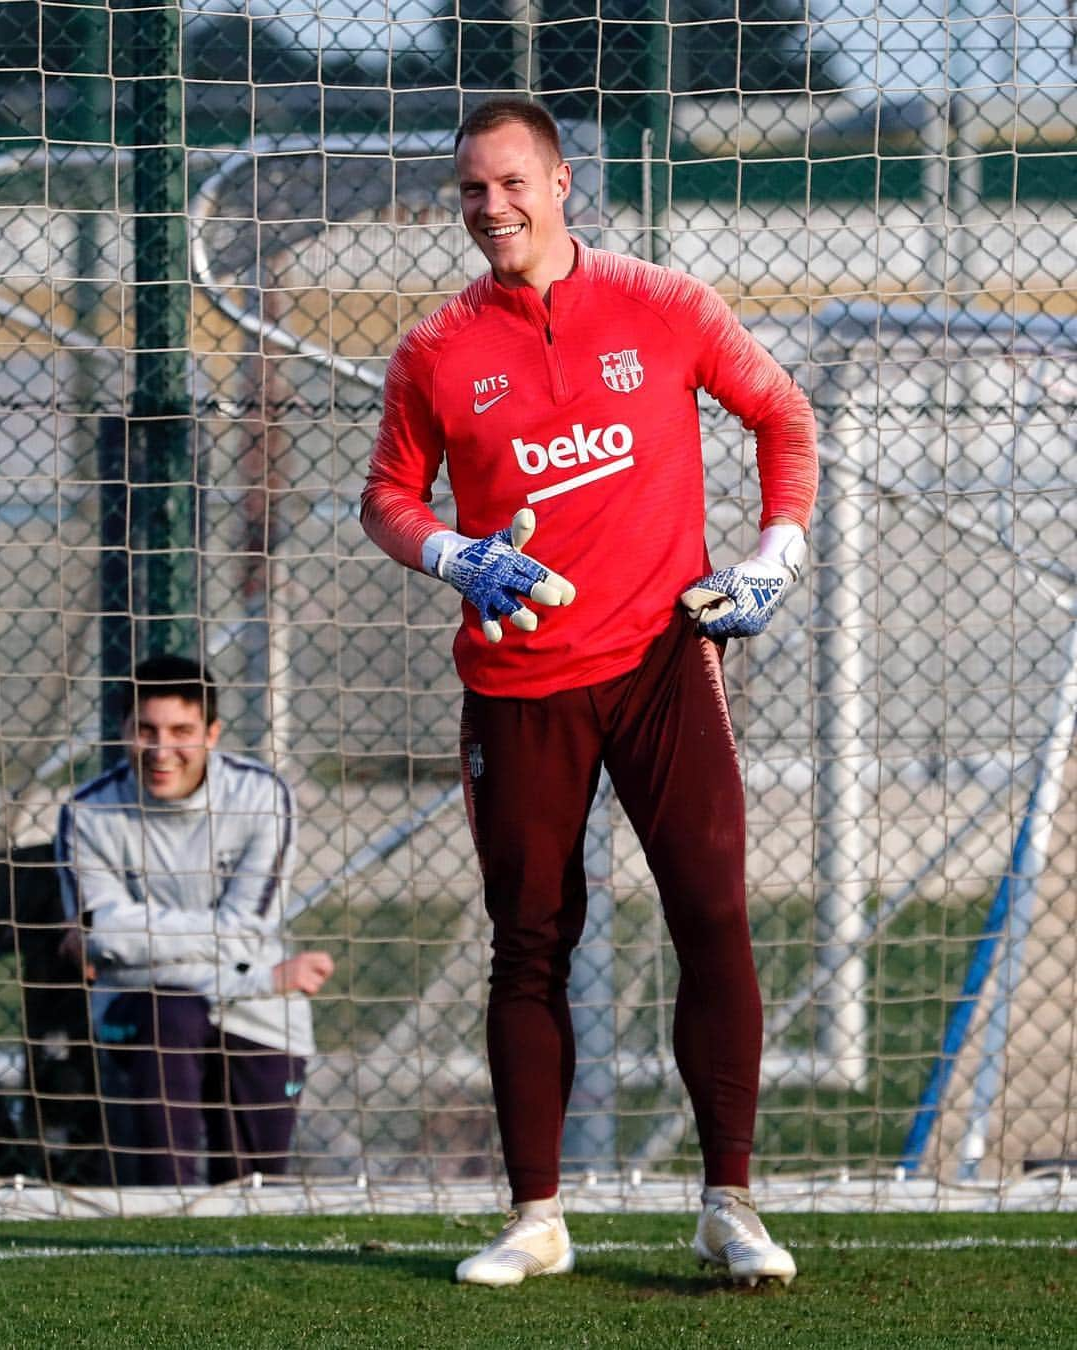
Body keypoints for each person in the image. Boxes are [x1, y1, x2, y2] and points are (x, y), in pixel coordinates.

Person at [360, 96, 818, 1287]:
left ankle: (728, 1204)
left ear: (563, 184)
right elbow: (388, 499)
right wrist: (455, 554)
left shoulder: (665, 305)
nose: (491, 207)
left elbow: (783, 415)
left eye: (512, 183)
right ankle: (536, 1217)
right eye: (471, 189)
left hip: (666, 661)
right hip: (519, 683)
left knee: (713, 915)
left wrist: (775, 555)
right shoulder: (434, 350)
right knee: (532, 942)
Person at [56, 655, 334, 1186]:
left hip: (258, 1012)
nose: (162, 752)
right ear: (123, 730)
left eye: (181, 731)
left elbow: (245, 932)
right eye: (146, 731)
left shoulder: (261, 797)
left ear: (212, 733)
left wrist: (129, 936)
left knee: (255, 1196)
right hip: (151, 1006)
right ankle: (166, 1209)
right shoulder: (87, 812)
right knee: (173, 1016)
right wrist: (261, 975)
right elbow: (99, 943)